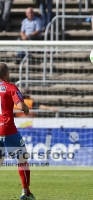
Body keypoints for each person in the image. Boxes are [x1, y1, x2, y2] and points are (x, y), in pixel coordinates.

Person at [0, 63, 35, 200]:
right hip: (8, 130)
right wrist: (26, 108)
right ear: (6, 74)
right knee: (22, 159)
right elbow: (20, 106)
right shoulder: (10, 87)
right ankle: (26, 192)